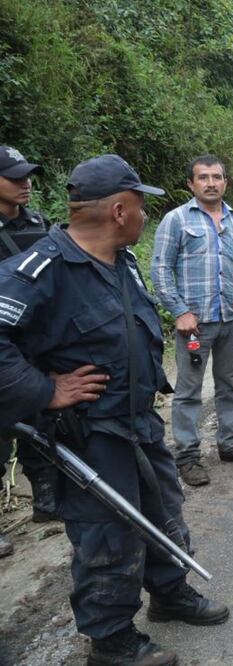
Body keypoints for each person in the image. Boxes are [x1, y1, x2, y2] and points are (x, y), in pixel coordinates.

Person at [0, 154, 229, 665]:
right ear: (120, 210)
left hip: (138, 423)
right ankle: (111, 639)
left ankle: (170, 594)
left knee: (162, 511)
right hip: (90, 436)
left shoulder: (120, 260)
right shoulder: (42, 270)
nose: (147, 215)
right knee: (110, 532)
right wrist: (42, 390)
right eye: (142, 206)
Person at [151, 156, 233, 486]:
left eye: (217, 177)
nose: (211, 183)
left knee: (229, 385)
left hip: (232, 322)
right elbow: (160, 270)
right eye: (203, 177)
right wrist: (180, 312)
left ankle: (230, 445)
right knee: (188, 392)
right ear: (191, 184)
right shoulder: (175, 221)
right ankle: (188, 457)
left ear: (225, 183)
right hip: (195, 325)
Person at [0, 146, 60, 560]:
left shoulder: (38, 224)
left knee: (41, 423)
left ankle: (46, 499)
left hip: (34, 344)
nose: (25, 184)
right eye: (15, 177)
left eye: (27, 177)